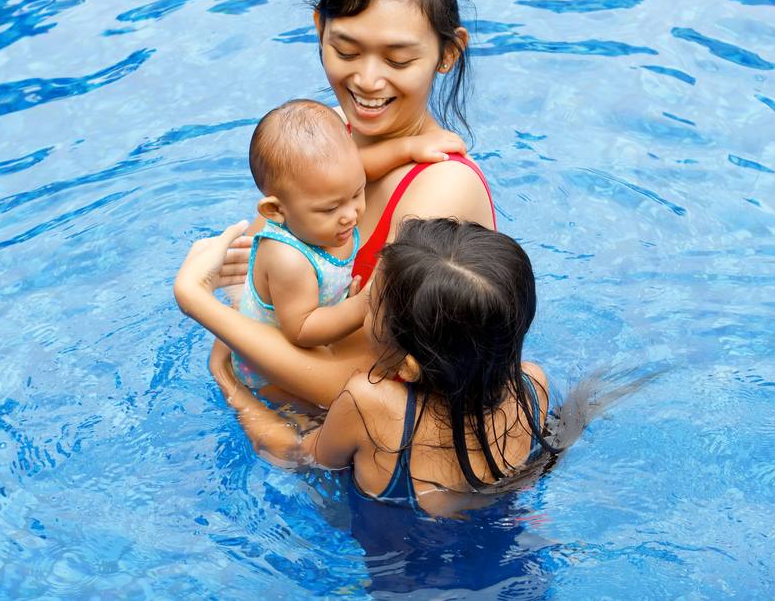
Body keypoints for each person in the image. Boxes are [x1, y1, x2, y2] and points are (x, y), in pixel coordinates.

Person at [209, 0, 496, 409]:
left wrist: (208, 317)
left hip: (382, 450)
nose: (366, 80)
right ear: (319, 28)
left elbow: (364, 382)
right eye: (345, 51)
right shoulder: (322, 145)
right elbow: (258, 286)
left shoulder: (442, 188)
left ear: (448, 54)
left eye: (398, 59)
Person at [175, 218, 556, 518]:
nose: (357, 305)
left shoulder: (369, 403)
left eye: (369, 303)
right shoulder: (532, 384)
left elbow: (295, 456)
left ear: (407, 368)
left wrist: (228, 381)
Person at [229, 100, 367, 398]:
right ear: (275, 210)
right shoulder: (287, 258)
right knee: (316, 418)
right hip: (267, 369)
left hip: (309, 328)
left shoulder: (327, 214)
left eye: (358, 192)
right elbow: (301, 330)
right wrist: (360, 306)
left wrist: (407, 149)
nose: (350, 214)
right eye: (329, 209)